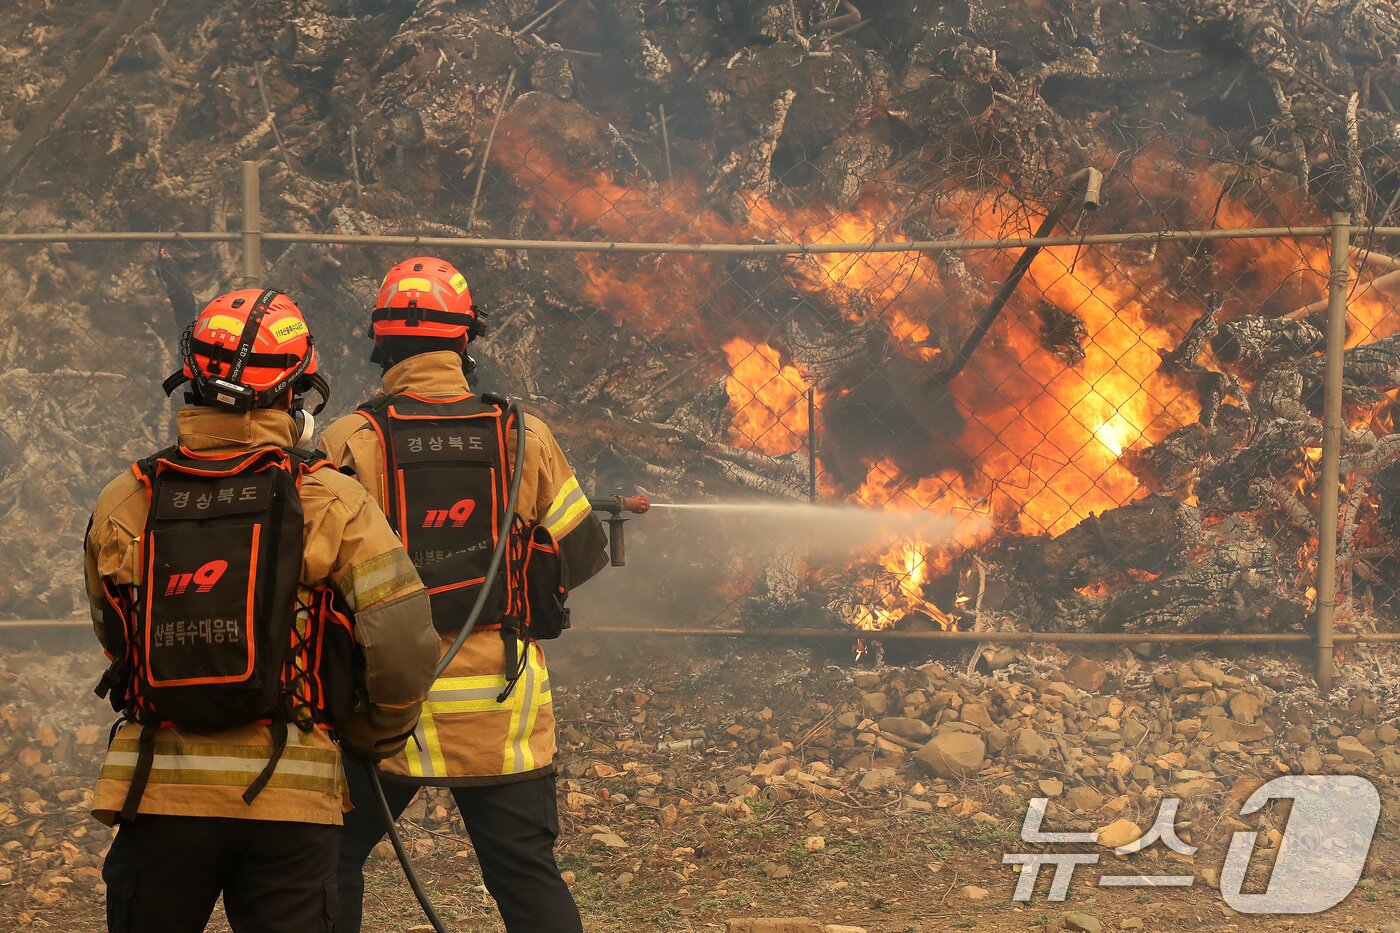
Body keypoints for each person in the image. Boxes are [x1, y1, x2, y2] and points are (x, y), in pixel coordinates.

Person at [86, 288, 440, 933]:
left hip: (158, 795)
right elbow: (403, 643)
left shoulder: (126, 499)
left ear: (189, 377)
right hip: (291, 796)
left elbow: (115, 634)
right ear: (299, 391)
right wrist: (376, 735)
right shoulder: (333, 500)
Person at [321, 257, 609, 933]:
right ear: (466, 340)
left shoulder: (350, 442)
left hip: (384, 711)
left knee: (330, 855)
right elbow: (583, 552)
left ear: (381, 344)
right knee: (524, 872)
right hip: (502, 712)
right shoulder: (523, 434)